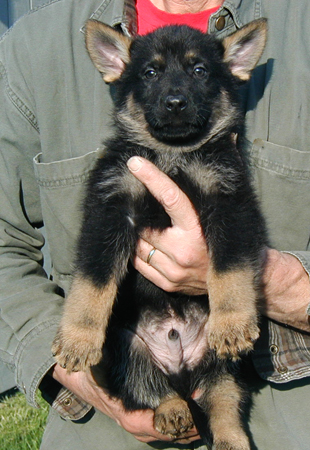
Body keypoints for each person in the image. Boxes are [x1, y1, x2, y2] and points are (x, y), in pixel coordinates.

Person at [0, 0, 310, 449]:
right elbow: (49, 247)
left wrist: (282, 289)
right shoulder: (35, 46)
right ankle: (164, 401)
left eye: (199, 72)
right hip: (129, 357)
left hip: (274, 394)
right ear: (118, 71)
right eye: (151, 74)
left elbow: (235, 230)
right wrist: (78, 356)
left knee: (224, 376)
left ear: (234, 69)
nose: (176, 92)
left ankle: (228, 430)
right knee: (128, 342)